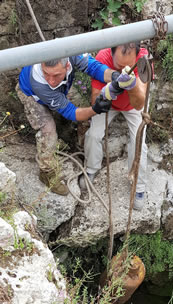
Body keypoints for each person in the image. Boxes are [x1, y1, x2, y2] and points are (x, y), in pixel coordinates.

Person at [16, 54, 118, 196]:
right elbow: (70, 112)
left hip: (62, 88)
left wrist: (114, 76)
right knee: (48, 131)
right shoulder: (39, 82)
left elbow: (94, 67)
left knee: (84, 109)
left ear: (67, 65)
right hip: (32, 94)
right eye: (46, 73)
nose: (51, 80)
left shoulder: (71, 52)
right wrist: (95, 110)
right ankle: (47, 173)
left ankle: (83, 149)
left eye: (56, 75)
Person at [81, 43, 149, 211]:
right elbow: (94, 100)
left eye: (128, 65)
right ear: (111, 55)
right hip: (109, 103)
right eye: (118, 65)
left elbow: (139, 103)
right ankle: (91, 168)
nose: (124, 68)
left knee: (138, 141)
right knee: (93, 135)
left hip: (133, 105)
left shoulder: (143, 61)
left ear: (137, 56)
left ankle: (138, 186)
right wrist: (108, 91)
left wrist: (131, 87)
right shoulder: (102, 58)